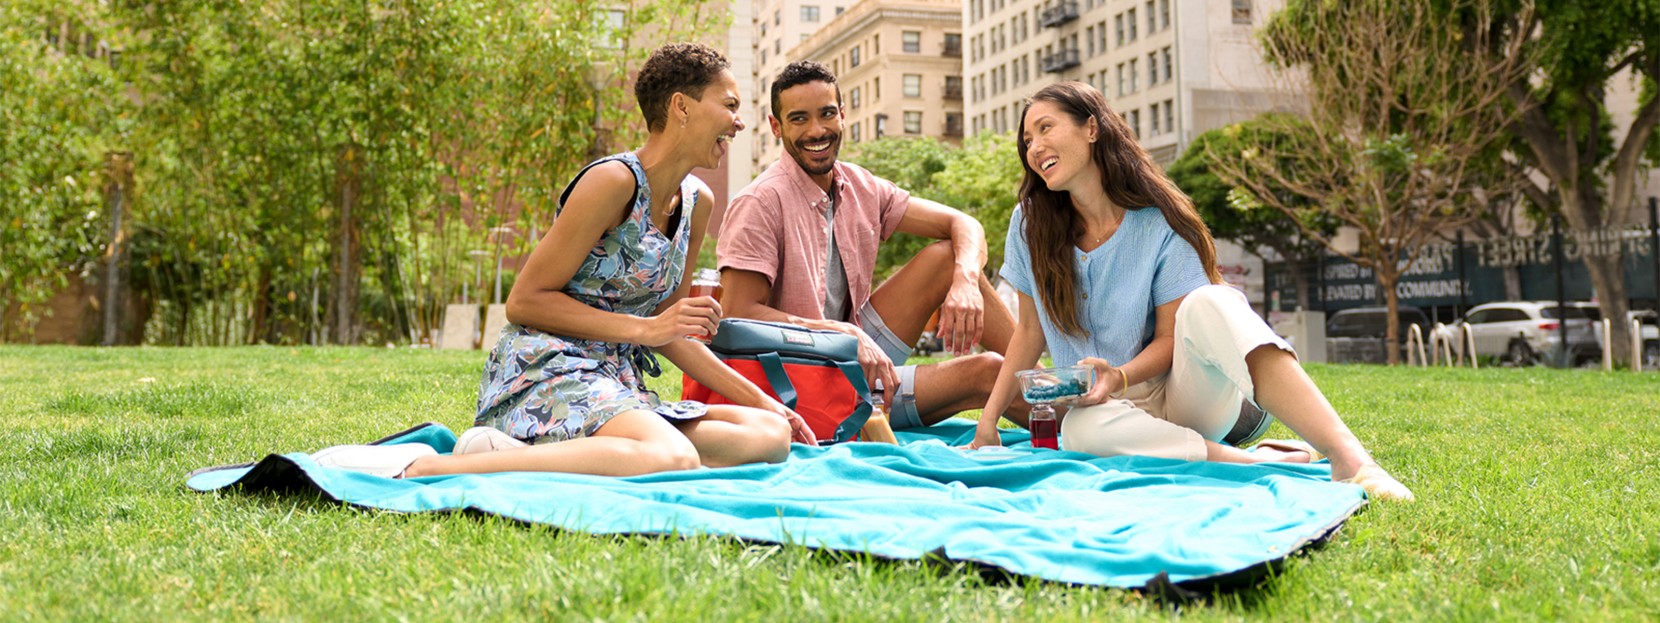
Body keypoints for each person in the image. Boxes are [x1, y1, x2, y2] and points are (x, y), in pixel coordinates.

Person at [312, 43, 817, 479]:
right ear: (682, 107)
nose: (740, 120)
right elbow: (524, 302)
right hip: (548, 368)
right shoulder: (614, 182)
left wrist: (764, 399)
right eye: (729, 105)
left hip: (616, 381)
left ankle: (556, 453)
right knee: (670, 457)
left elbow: (671, 330)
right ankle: (426, 467)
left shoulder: (698, 201)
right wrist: (643, 329)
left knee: (767, 436)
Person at [969, 82, 1413, 501]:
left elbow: (1168, 341)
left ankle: (1351, 459)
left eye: (1045, 128)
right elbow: (1029, 331)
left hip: (1182, 395)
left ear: (1091, 128)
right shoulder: (1028, 225)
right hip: (1103, 414)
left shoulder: (1159, 221)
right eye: (1027, 140)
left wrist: (1118, 377)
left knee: (1212, 300)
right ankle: (1257, 462)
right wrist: (986, 424)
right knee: (1081, 432)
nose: (1035, 147)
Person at [717, 60, 1024, 430]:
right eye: (799, 119)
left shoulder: (860, 185)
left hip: (855, 346)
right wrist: (838, 333)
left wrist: (964, 280)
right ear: (776, 127)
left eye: (827, 114)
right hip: (802, 374)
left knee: (947, 257)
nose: (816, 130)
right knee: (986, 372)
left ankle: (1050, 387)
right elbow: (738, 314)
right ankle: (1068, 415)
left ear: (843, 116)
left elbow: (963, 223)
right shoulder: (760, 203)